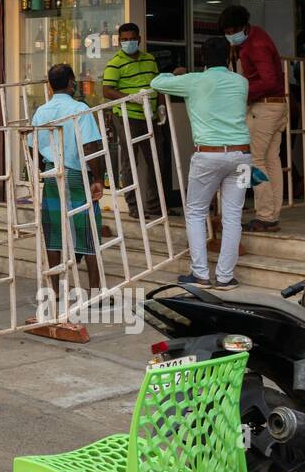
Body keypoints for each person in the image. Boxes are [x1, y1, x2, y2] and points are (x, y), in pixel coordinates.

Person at [151, 36, 250, 290]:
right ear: (229, 56)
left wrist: (177, 74)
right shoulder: (241, 82)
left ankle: (201, 274)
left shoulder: (194, 80)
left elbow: (157, 82)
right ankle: (226, 277)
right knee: (233, 216)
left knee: (195, 212)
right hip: (241, 156)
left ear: (202, 59)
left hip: (208, 155)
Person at [31, 64, 106, 295]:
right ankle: (95, 292)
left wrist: (38, 176)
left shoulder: (41, 112)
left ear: (50, 85)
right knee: (88, 230)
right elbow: (90, 145)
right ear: (72, 83)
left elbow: (34, 149)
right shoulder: (79, 108)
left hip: (53, 174)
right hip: (76, 173)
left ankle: (55, 292)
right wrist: (98, 178)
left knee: (53, 231)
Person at [220, 5, 286, 232]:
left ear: (244, 26)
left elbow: (267, 81)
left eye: (233, 30)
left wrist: (240, 92)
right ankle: (271, 215)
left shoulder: (255, 45)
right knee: (271, 161)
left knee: (254, 161)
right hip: (276, 106)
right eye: (227, 31)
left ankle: (265, 215)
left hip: (263, 107)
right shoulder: (256, 36)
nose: (230, 35)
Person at [101, 23, 164, 220]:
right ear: (119, 41)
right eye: (124, 40)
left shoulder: (149, 59)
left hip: (150, 115)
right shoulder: (115, 63)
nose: (128, 42)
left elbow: (158, 84)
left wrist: (160, 106)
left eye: (132, 39)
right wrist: (130, 97)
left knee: (156, 159)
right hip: (127, 116)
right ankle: (133, 205)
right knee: (129, 161)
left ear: (139, 39)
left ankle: (155, 206)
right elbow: (107, 90)